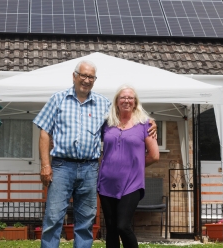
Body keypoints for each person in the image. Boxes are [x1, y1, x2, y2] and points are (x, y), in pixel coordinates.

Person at [33, 60, 156, 248]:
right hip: (61, 167)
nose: (86, 80)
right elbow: (44, 131)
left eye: (91, 77)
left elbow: (127, 112)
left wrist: (150, 121)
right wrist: (45, 164)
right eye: (83, 75)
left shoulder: (103, 104)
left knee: (86, 221)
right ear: (74, 76)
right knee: (53, 217)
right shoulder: (58, 99)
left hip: (90, 168)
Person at [97, 85, 160, 248]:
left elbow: (154, 155)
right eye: (123, 98)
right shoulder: (107, 123)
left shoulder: (145, 125)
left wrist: (135, 166)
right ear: (117, 102)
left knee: (122, 226)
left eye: (130, 98)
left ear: (135, 102)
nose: (126, 100)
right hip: (106, 183)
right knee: (110, 229)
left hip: (131, 184)